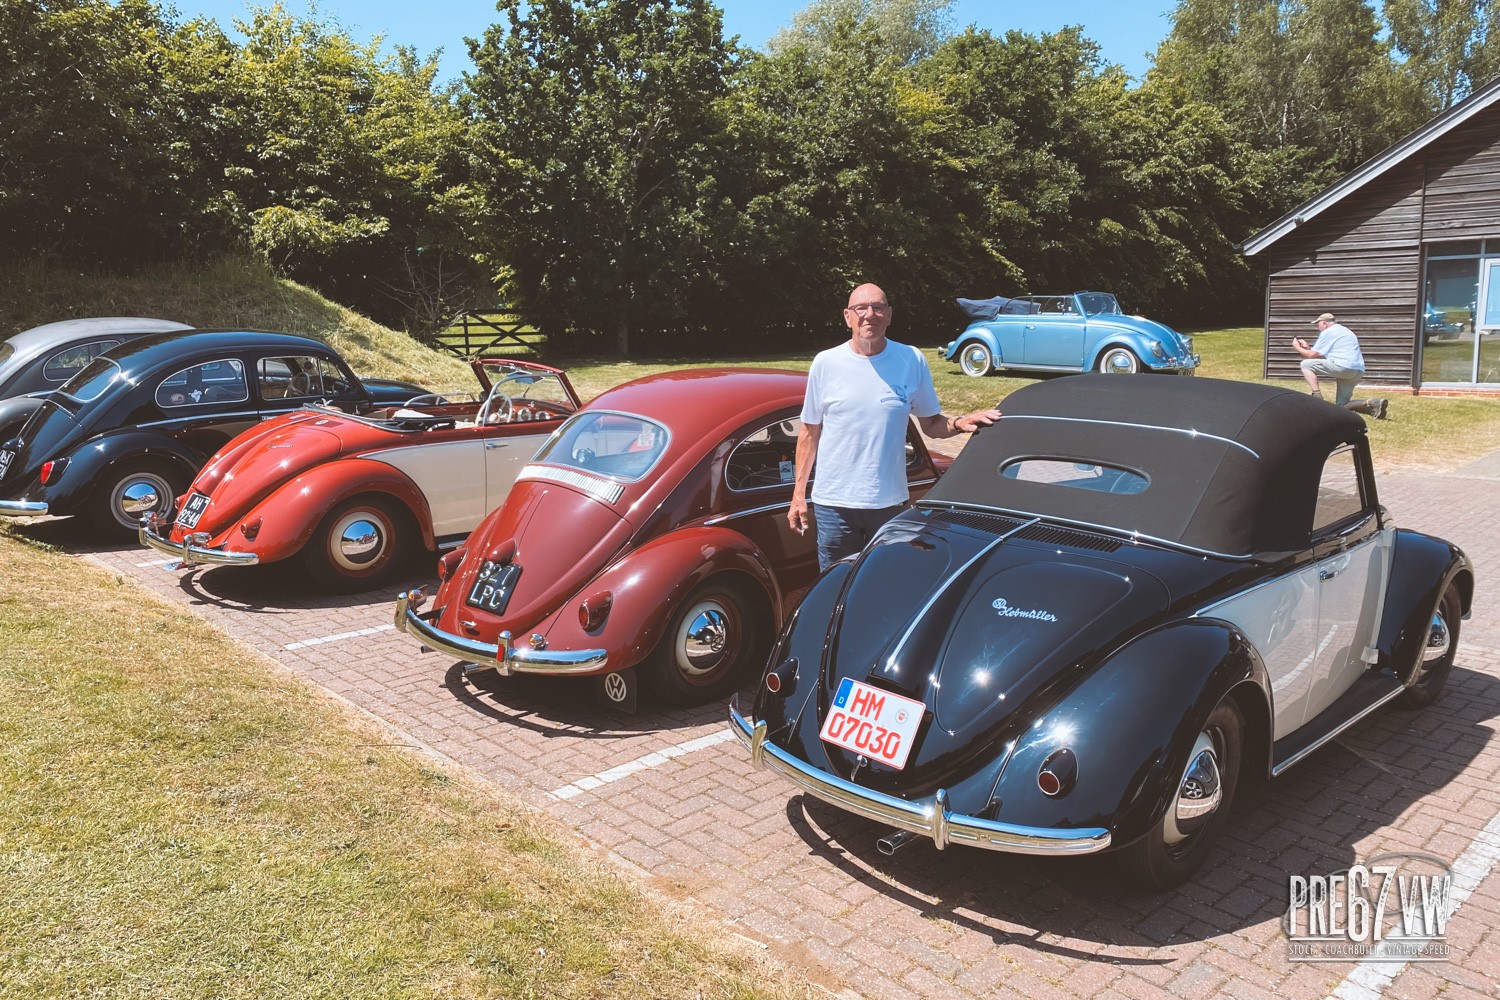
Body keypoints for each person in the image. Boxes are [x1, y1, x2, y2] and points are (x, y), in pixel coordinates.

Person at [788, 283, 1002, 571]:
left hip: (888, 504)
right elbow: (809, 431)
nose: (869, 314)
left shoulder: (910, 359)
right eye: (860, 308)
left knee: (884, 580)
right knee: (834, 584)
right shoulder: (826, 363)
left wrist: (960, 423)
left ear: (889, 315)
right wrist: (798, 495)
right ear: (847, 316)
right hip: (834, 505)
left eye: (878, 307)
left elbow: (931, 424)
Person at [1293, 312, 1387, 419]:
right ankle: (1373, 403)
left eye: (1318, 324)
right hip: (1357, 370)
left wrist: (1297, 347)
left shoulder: (1328, 332)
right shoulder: (1345, 331)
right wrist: (1307, 348)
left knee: (1305, 364)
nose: (1317, 327)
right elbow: (1319, 353)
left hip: (1343, 367)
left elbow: (1312, 355)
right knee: (1342, 405)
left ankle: (1317, 395)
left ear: (1324, 323)